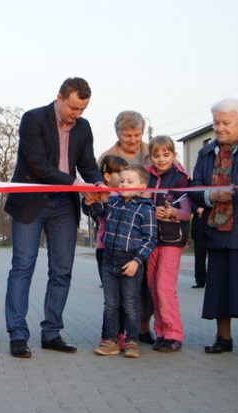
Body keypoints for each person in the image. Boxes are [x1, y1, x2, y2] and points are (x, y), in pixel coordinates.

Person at [4, 77, 104, 358]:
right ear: (59, 98)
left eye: (82, 110)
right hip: (31, 202)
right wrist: (76, 184)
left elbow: (87, 163)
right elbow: (38, 165)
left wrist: (96, 185)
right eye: (73, 108)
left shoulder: (83, 128)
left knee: (62, 270)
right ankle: (18, 334)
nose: (76, 115)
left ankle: (51, 332)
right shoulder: (33, 119)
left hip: (63, 205)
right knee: (22, 266)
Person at [191, 98, 238, 358]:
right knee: (220, 287)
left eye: (226, 122)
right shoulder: (205, 154)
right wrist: (211, 197)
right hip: (218, 232)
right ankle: (222, 338)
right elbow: (194, 189)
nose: (220, 128)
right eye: (216, 123)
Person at [85, 165, 157, 358]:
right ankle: (111, 341)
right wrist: (90, 201)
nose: (124, 184)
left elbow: (150, 239)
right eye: (122, 181)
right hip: (109, 261)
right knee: (110, 304)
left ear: (142, 186)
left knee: (130, 304)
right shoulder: (114, 202)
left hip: (130, 263)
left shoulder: (146, 209)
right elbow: (97, 211)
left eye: (130, 181)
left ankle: (132, 341)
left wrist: (137, 261)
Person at [98, 110, 155, 345]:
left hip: (143, 228)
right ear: (118, 134)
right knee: (115, 296)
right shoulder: (107, 156)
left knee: (143, 289)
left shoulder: (151, 153)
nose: (133, 139)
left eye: (137, 135)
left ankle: (141, 329)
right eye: (127, 135)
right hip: (113, 233)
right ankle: (115, 335)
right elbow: (99, 188)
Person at [145, 136, 191, 352]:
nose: (161, 159)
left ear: (173, 155)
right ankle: (161, 332)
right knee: (154, 288)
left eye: (166, 154)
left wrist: (172, 212)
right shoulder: (146, 176)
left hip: (172, 240)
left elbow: (186, 213)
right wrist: (150, 211)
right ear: (150, 156)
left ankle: (174, 334)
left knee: (165, 287)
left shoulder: (181, 179)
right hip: (151, 239)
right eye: (156, 155)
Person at [88, 155, 128, 350]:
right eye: (119, 173)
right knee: (111, 298)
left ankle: (122, 334)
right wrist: (97, 200)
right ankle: (108, 336)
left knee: (125, 298)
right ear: (107, 175)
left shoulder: (128, 194)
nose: (123, 177)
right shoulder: (103, 196)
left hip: (126, 250)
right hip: (105, 250)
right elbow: (98, 211)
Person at [190, 204, 207, 288]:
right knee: (199, 255)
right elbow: (189, 200)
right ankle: (200, 280)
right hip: (199, 224)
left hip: (215, 220)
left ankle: (214, 280)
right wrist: (197, 209)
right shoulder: (193, 191)